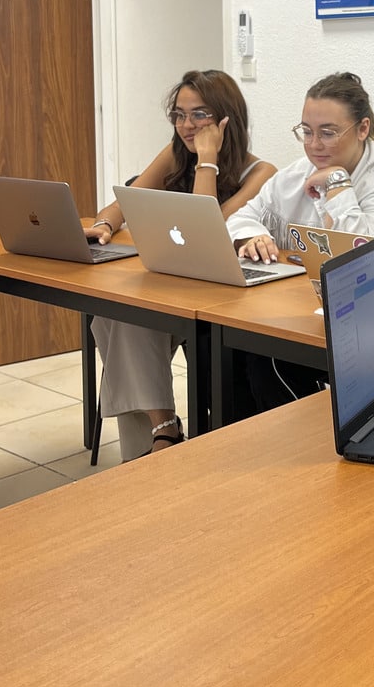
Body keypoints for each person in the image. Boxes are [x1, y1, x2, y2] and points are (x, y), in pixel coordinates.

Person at [89, 69, 276, 460]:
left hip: (219, 299)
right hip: (171, 283)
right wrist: (105, 224)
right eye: (179, 114)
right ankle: (164, 429)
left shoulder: (261, 173)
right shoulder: (176, 150)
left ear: (227, 119)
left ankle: (156, 442)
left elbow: (209, 230)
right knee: (115, 315)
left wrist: (207, 160)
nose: (187, 126)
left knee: (118, 321)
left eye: (199, 115)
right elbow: (124, 200)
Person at [227, 71, 374, 406]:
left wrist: (336, 183)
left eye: (328, 133)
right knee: (227, 346)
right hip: (312, 311)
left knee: (269, 358)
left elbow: (363, 253)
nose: (314, 145)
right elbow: (242, 217)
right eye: (306, 132)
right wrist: (253, 236)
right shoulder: (295, 175)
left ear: (363, 129)